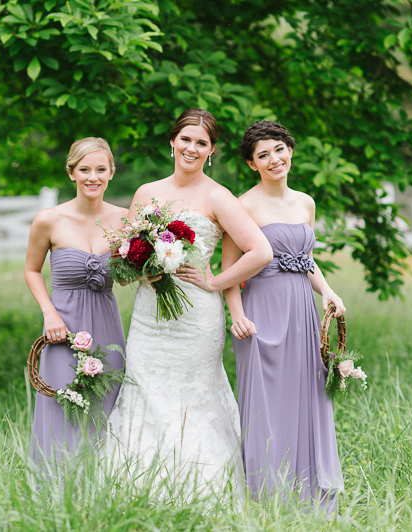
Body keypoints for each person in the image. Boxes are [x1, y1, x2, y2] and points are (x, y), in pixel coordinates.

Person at [105, 108, 273, 494]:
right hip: (149, 317)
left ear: (211, 150)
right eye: (186, 139)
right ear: (172, 141)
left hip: (196, 319)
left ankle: (202, 488)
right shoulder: (147, 192)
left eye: (201, 143)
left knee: (192, 397)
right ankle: (137, 488)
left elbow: (259, 251)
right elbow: (122, 255)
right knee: (144, 388)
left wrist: (214, 282)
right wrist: (141, 267)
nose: (192, 148)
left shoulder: (218, 196)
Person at [222, 121, 346, 514]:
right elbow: (229, 268)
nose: (274, 159)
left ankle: (310, 488)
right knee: (265, 400)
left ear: (290, 150)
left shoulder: (305, 202)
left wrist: (326, 290)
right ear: (251, 163)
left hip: (302, 311)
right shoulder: (243, 205)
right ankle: (266, 493)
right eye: (263, 155)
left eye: (279, 149)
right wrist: (236, 315)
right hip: (261, 311)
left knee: (306, 394)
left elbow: (305, 259)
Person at [25, 137, 127, 480]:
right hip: (63, 326)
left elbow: (129, 276)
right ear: (71, 172)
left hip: (108, 326)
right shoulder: (49, 220)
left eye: (101, 169)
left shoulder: (125, 221)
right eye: (84, 169)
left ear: (111, 172)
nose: (92, 177)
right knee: (62, 404)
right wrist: (49, 313)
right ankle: (55, 486)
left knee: (106, 404)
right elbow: (31, 270)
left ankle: (103, 486)